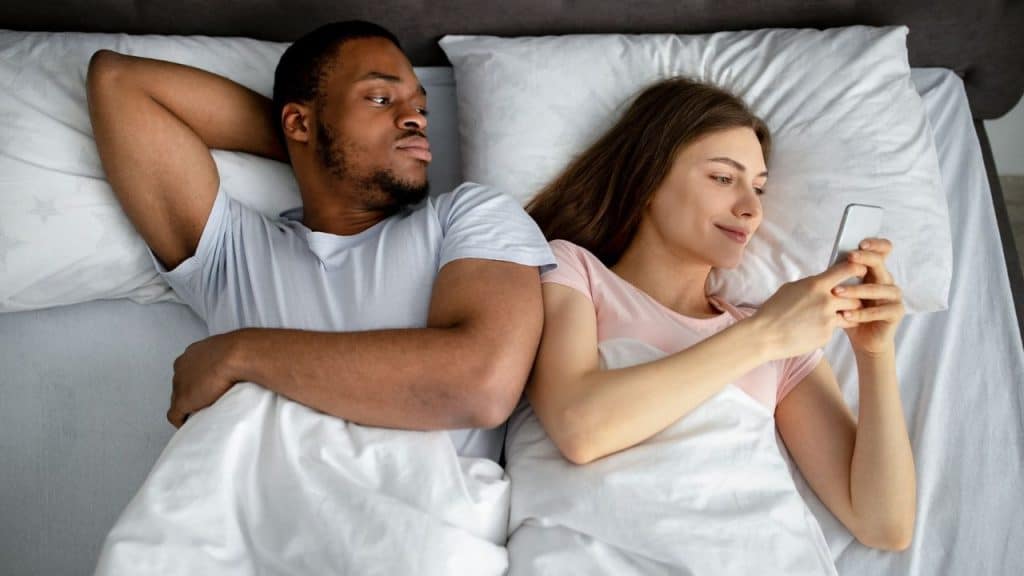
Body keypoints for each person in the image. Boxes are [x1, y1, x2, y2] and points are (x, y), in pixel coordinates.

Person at [87, 20, 553, 573]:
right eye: (380, 98)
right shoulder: (234, 255)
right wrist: (310, 142)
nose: (415, 117)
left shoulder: (469, 217)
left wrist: (242, 354)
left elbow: (481, 383)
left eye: (420, 107)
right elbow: (118, 83)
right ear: (299, 120)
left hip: (409, 539)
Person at [506, 77, 916, 574]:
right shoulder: (575, 272)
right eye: (724, 178)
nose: (752, 207)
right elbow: (582, 428)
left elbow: (884, 524)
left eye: (759, 188)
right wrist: (764, 335)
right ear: (649, 180)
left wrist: (875, 356)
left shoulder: (779, 337)